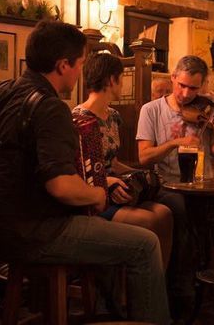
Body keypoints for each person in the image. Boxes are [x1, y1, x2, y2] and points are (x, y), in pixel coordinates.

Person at [0, 20, 169, 324]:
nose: (81, 71)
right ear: (63, 65)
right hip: (39, 233)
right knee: (145, 244)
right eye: (80, 64)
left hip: (0, 230)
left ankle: (114, 310)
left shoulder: (3, 92)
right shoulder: (50, 106)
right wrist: (97, 193)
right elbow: (62, 187)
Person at [136, 55, 214, 319]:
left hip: (203, 183)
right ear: (173, 79)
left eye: (194, 88)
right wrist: (173, 143)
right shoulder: (151, 110)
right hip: (168, 185)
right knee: (183, 213)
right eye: (182, 85)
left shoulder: (205, 109)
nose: (186, 93)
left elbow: (212, 149)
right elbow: (144, 156)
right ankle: (183, 292)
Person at [73, 51, 173, 268]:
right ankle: (130, 290)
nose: (122, 85)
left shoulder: (113, 116)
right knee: (149, 220)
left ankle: (158, 282)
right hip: (95, 194)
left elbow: (113, 163)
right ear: (111, 80)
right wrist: (109, 182)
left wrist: (138, 174)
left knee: (164, 214)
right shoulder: (79, 118)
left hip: (117, 187)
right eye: (121, 79)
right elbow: (78, 170)